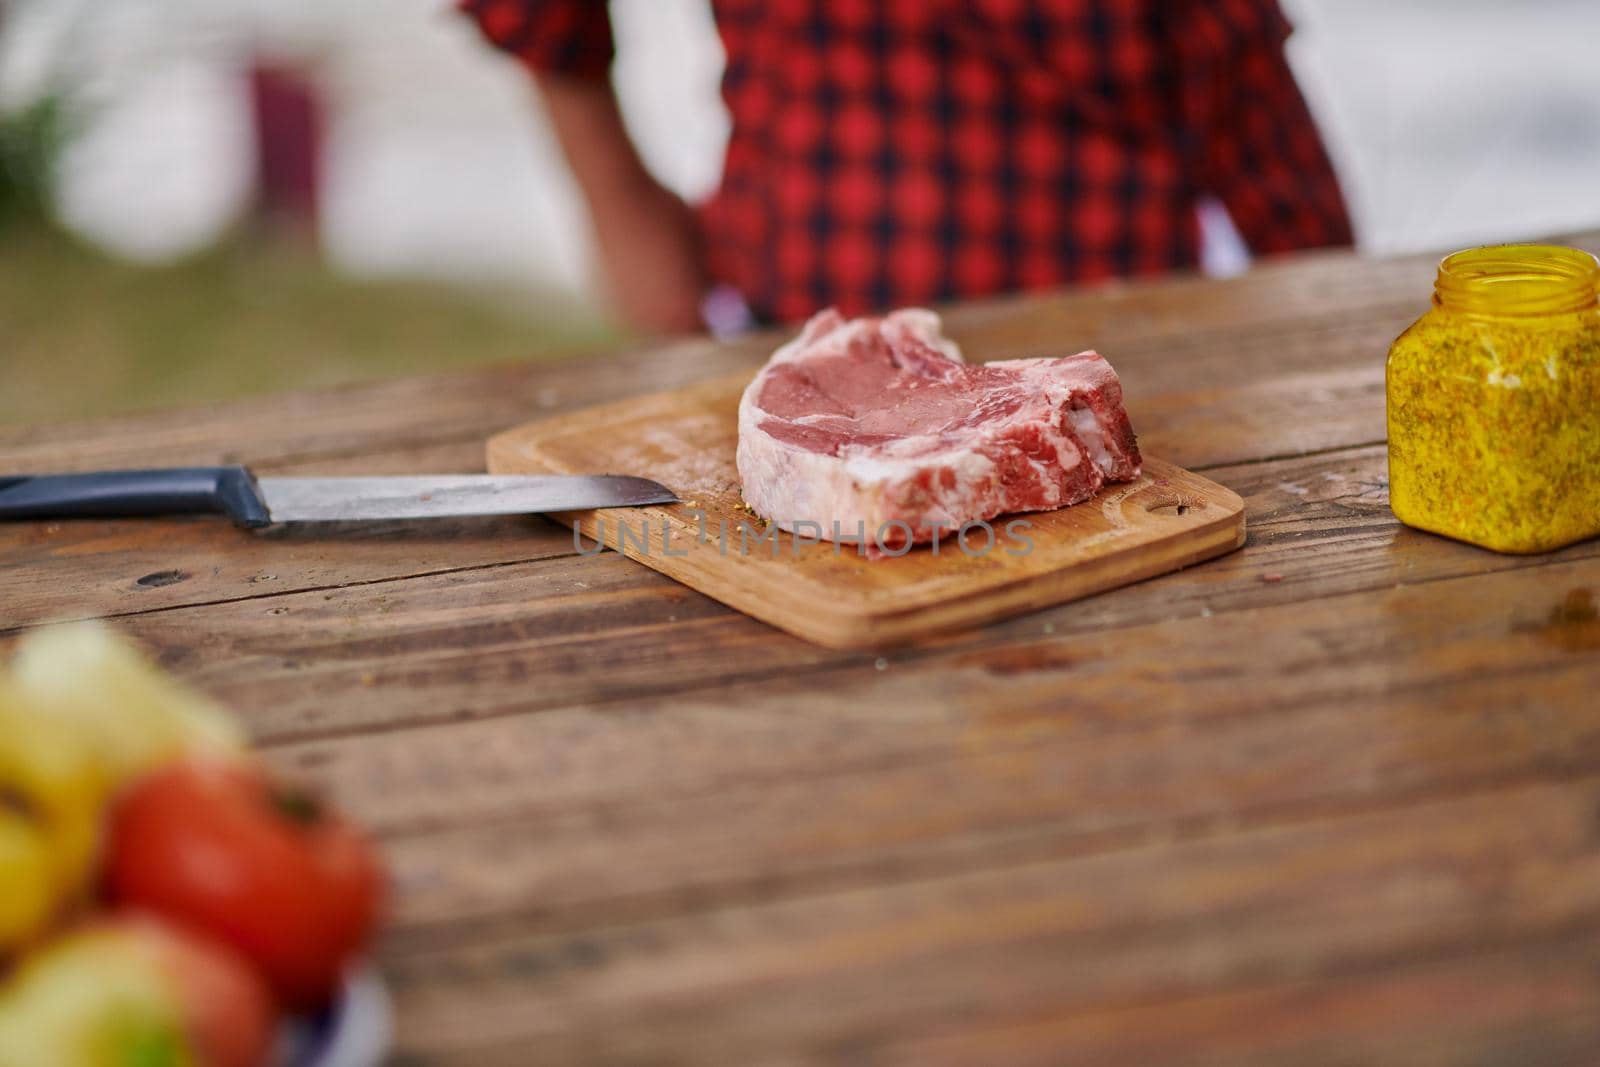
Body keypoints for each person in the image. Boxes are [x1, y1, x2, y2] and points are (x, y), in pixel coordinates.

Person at [461, 0, 1353, 334]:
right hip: (788, 356)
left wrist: (1325, 324)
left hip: (1116, 404)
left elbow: (1293, 213)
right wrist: (623, 213)